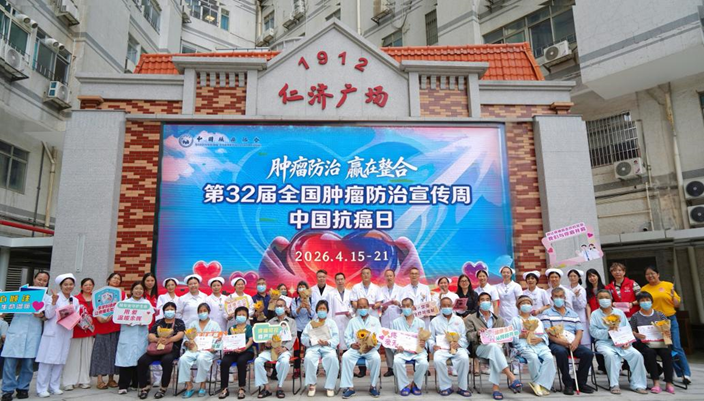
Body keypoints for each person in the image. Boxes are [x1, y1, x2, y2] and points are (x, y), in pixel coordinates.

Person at [2, 271, 51, 401]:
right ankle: (7, 390)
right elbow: (6, 310)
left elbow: (48, 317)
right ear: (34, 279)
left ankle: (23, 388)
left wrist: (41, 315)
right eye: (39, 279)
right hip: (16, 332)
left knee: (28, 364)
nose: (41, 282)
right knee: (9, 363)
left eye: (44, 280)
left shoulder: (47, 298)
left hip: (33, 333)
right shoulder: (21, 294)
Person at [464, 292, 522, 400]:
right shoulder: (471, 318)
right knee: (495, 349)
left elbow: (504, 337)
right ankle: (511, 376)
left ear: (491, 302)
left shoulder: (499, 319)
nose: (485, 302)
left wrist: (503, 339)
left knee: (495, 350)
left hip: (496, 348)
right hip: (479, 348)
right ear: (478, 303)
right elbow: (468, 336)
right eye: (482, 300)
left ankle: (496, 389)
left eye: (487, 300)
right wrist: (477, 333)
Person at [589, 289, 647, 394]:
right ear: (597, 300)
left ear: (611, 299)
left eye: (606, 297)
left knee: (637, 355)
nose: (604, 300)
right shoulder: (595, 314)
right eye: (601, 298)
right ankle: (614, 384)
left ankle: (638, 384)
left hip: (622, 342)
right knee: (611, 355)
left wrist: (627, 342)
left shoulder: (619, 312)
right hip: (604, 343)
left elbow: (627, 328)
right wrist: (608, 332)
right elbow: (593, 332)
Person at [640, 265, 691, 384]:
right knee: (666, 348)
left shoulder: (668, 285)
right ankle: (672, 372)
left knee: (676, 346)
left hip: (670, 320)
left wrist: (673, 296)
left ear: (658, 274)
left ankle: (686, 374)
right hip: (655, 322)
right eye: (647, 274)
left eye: (652, 273)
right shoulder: (644, 289)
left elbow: (677, 304)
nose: (650, 276)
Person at [540, 287, 594, 395]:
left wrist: (576, 342)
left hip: (572, 342)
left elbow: (579, 331)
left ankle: (580, 382)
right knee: (561, 352)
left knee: (588, 353)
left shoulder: (573, 313)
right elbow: (547, 333)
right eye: (556, 297)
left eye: (561, 296)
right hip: (556, 342)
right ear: (552, 298)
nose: (558, 299)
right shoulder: (546, 313)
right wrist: (561, 342)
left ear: (564, 297)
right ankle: (568, 383)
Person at [35, 273, 80, 397]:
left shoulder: (75, 300)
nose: (68, 287)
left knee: (60, 361)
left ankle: (54, 386)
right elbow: (48, 315)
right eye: (65, 284)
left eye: (71, 284)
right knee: (46, 362)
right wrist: (54, 302)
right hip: (52, 333)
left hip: (66, 333)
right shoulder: (53, 298)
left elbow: (76, 316)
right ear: (61, 286)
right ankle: (41, 388)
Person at [136, 302, 185, 399]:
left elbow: (180, 334)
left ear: (175, 311)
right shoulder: (159, 322)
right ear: (163, 311)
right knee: (142, 361)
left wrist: (169, 340)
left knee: (166, 360)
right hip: (156, 348)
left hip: (171, 350)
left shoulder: (179, 322)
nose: (169, 311)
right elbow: (150, 335)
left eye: (172, 309)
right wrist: (157, 339)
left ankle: (163, 388)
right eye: (167, 310)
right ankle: (144, 387)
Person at [629, 291, 675, 394]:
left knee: (666, 353)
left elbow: (667, 328)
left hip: (660, 341)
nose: (645, 302)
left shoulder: (659, 314)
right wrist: (636, 334)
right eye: (642, 300)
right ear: (638, 302)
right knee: (650, 353)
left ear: (651, 301)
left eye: (647, 300)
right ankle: (656, 382)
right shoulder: (635, 316)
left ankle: (669, 383)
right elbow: (632, 330)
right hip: (644, 342)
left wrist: (666, 332)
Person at [510, 295, 555, 397]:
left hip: (539, 345)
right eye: (523, 303)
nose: (526, 305)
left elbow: (544, 334)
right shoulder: (515, 320)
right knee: (533, 358)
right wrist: (521, 336)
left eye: (528, 303)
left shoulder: (537, 320)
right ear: (519, 306)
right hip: (523, 345)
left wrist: (540, 339)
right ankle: (538, 383)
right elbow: (510, 336)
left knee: (549, 358)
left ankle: (539, 383)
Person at [254, 298, 297, 398]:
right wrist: (267, 344)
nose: (279, 308)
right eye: (277, 306)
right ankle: (266, 387)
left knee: (284, 362)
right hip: (271, 350)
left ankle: (279, 387)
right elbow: (266, 338)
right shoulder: (270, 322)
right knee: (258, 361)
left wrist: (284, 348)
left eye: (281, 306)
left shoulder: (291, 322)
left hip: (284, 350)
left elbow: (293, 337)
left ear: (285, 308)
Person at [340, 298, 382, 399]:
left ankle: (373, 386)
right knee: (345, 357)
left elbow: (380, 337)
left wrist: (372, 346)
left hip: (370, 349)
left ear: (368, 307)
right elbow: (347, 336)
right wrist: (351, 344)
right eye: (360, 307)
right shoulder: (352, 321)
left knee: (376, 358)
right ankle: (350, 387)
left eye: (364, 307)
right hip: (356, 349)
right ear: (357, 308)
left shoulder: (375, 321)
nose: (362, 309)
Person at [428, 297, 471, 397]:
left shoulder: (459, 320)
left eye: (448, 305)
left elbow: (464, 337)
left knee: (464, 358)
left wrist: (458, 344)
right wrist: (433, 346)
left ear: (452, 306)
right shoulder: (435, 321)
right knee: (437, 360)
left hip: (457, 348)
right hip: (441, 349)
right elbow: (430, 338)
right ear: (440, 307)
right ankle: (446, 386)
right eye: (444, 306)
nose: (446, 307)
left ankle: (462, 387)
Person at [115, 281, 152, 394]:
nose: (138, 291)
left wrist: (144, 321)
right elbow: (118, 317)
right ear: (131, 290)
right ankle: (123, 386)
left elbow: (149, 317)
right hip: (127, 335)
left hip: (141, 335)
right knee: (125, 360)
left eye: (140, 289)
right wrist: (125, 320)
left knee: (140, 360)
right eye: (136, 288)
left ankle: (137, 384)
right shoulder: (124, 304)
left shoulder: (146, 303)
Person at [178, 303, 221, 398]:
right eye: (200, 311)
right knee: (183, 359)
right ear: (197, 313)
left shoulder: (214, 325)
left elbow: (219, 340)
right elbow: (185, 339)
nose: (202, 313)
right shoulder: (193, 324)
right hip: (193, 350)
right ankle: (189, 386)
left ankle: (203, 385)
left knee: (201, 358)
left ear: (209, 312)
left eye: (204, 311)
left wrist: (214, 348)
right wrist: (187, 344)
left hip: (207, 351)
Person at [91, 272, 123, 389]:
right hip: (102, 327)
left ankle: (111, 379)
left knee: (113, 353)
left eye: (118, 279)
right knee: (101, 353)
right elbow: (95, 308)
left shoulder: (122, 294)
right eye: (114, 278)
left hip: (116, 328)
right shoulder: (99, 294)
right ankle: (99, 380)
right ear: (108, 280)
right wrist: (100, 318)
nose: (116, 280)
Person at [301, 300, 339, 397]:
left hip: (327, 348)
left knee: (332, 358)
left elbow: (336, 338)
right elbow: (303, 338)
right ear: (317, 311)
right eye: (320, 309)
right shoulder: (311, 323)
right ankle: (312, 384)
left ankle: (330, 386)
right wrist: (311, 341)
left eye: (324, 309)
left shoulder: (332, 323)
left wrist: (328, 342)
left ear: (327, 311)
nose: (322, 311)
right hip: (314, 348)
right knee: (308, 358)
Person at [62, 277, 95, 390]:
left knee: (87, 356)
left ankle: (85, 380)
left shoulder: (96, 299)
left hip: (89, 331)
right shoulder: (74, 299)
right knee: (72, 357)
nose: (88, 287)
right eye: (85, 285)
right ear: (81, 287)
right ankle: (69, 381)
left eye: (90, 285)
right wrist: (77, 323)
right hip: (75, 330)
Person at [392, 298, 429, 396]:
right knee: (397, 361)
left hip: (417, 351)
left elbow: (425, 339)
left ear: (413, 307)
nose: (406, 308)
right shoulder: (396, 322)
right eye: (403, 306)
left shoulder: (421, 322)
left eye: (408, 306)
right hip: (402, 351)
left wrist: (423, 343)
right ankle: (405, 385)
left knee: (424, 363)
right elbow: (392, 339)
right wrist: (396, 347)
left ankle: (415, 384)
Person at [218, 307, 255, 400]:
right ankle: (224, 388)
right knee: (224, 362)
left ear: (247, 317)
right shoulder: (231, 328)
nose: (241, 316)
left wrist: (243, 348)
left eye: (243, 315)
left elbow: (251, 340)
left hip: (246, 351)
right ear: (235, 316)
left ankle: (241, 388)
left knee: (241, 361)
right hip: (232, 351)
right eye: (239, 314)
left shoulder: (249, 328)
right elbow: (229, 340)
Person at [379, 269, 402, 378]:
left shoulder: (401, 290)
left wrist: (398, 303)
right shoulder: (380, 290)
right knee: (387, 344)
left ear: (394, 276)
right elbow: (378, 306)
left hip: (397, 318)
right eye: (387, 276)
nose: (389, 278)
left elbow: (405, 305)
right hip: (385, 320)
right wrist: (382, 308)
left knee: (397, 343)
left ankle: (398, 366)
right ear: (385, 277)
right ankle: (390, 367)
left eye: (390, 276)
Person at [290, 281, 313, 380]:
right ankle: (297, 370)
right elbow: (293, 314)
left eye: (303, 287)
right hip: (298, 327)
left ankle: (308, 370)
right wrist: (300, 307)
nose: (302, 289)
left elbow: (313, 315)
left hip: (308, 328)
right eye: (300, 287)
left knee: (309, 350)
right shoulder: (294, 300)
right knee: (297, 350)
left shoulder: (311, 299)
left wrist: (308, 307)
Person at [326, 273, 353, 351]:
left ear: (345, 280)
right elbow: (329, 310)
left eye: (341, 279)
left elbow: (353, 307)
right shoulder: (330, 294)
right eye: (338, 279)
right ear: (335, 281)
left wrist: (350, 313)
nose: (340, 281)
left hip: (347, 319)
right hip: (335, 321)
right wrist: (330, 323)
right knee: (336, 343)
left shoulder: (350, 293)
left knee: (347, 342)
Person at [566, 269, 590, 346]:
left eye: (574, 276)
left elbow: (582, 305)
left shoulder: (581, 289)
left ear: (579, 277)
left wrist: (575, 297)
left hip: (580, 316)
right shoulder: (566, 289)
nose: (572, 278)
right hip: (569, 316)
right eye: (570, 276)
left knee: (584, 340)